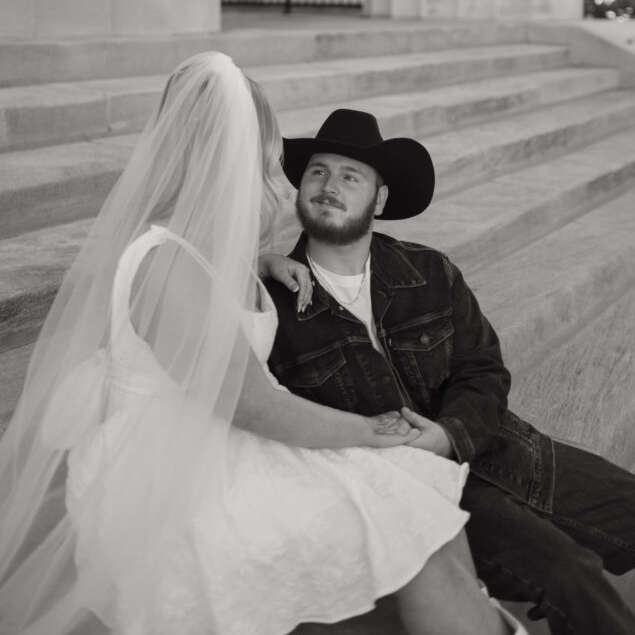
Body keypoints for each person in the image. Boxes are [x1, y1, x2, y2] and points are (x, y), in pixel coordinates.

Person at [0, 53, 525, 635]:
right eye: (268, 156)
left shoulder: (198, 254)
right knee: (415, 522)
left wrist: (259, 263)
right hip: (181, 471)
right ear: (228, 156)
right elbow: (250, 404)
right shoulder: (170, 262)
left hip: (219, 443)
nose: (275, 173)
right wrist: (373, 432)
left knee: (423, 512)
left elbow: (194, 297)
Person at [265, 107, 635, 635]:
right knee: (567, 572)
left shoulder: (428, 271)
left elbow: (484, 372)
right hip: (423, 493)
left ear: (380, 199)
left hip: (503, 448)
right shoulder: (273, 306)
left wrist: (447, 434)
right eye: (318, 171)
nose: (329, 186)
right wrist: (258, 261)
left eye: (351, 176)